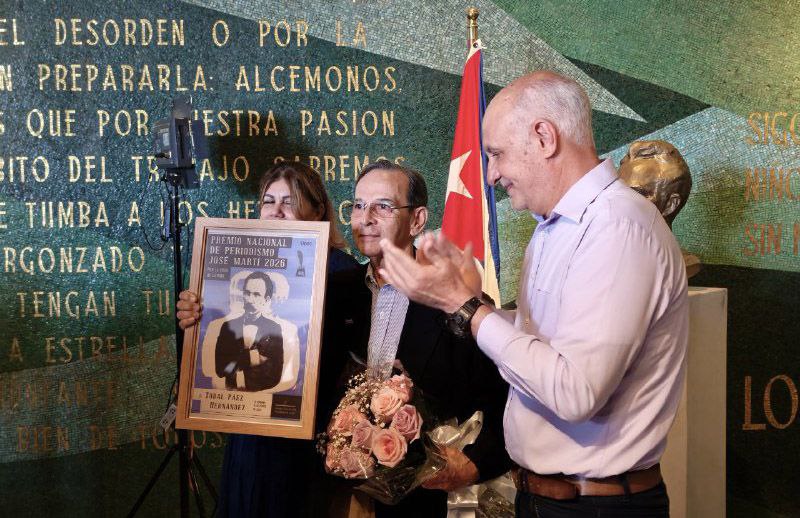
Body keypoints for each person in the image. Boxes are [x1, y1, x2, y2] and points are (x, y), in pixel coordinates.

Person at [378, 72, 689, 517]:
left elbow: (575, 392)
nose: (490, 173)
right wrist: (475, 304)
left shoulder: (617, 228)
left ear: (544, 137)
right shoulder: (556, 228)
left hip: (594, 507)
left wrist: (464, 307)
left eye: (497, 154)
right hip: (548, 500)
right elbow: (545, 347)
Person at [176, 161, 363, 517]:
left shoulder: (342, 272)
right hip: (248, 433)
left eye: (289, 202)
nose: (276, 211)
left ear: (318, 209)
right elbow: (218, 361)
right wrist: (196, 318)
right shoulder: (234, 268)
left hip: (306, 436)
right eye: (268, 201)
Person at [342, 160, 511, 517]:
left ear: (417, 220)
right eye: (358, 205)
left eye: (383, 206)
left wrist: (474, 464)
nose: (365, 217)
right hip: (350, 496)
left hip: (434, 497)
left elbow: (505, 397)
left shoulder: (454, 296)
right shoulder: (338, 291)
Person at [618, 139, 701, 277]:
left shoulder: (677, 264)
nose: (620, 203)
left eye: (636, 193)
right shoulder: (608, 259)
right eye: (619, 193)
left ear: (670, 205)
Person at [214, 271, 285, 391]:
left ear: (266, 299)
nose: (250, 299)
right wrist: (252, 358)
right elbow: (220, 370)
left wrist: (235, 360)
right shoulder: (228, 327)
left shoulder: (274, 329)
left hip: (258, 398)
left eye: (257, 294)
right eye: (247, 293)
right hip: (230, 396)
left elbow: (274, 375)